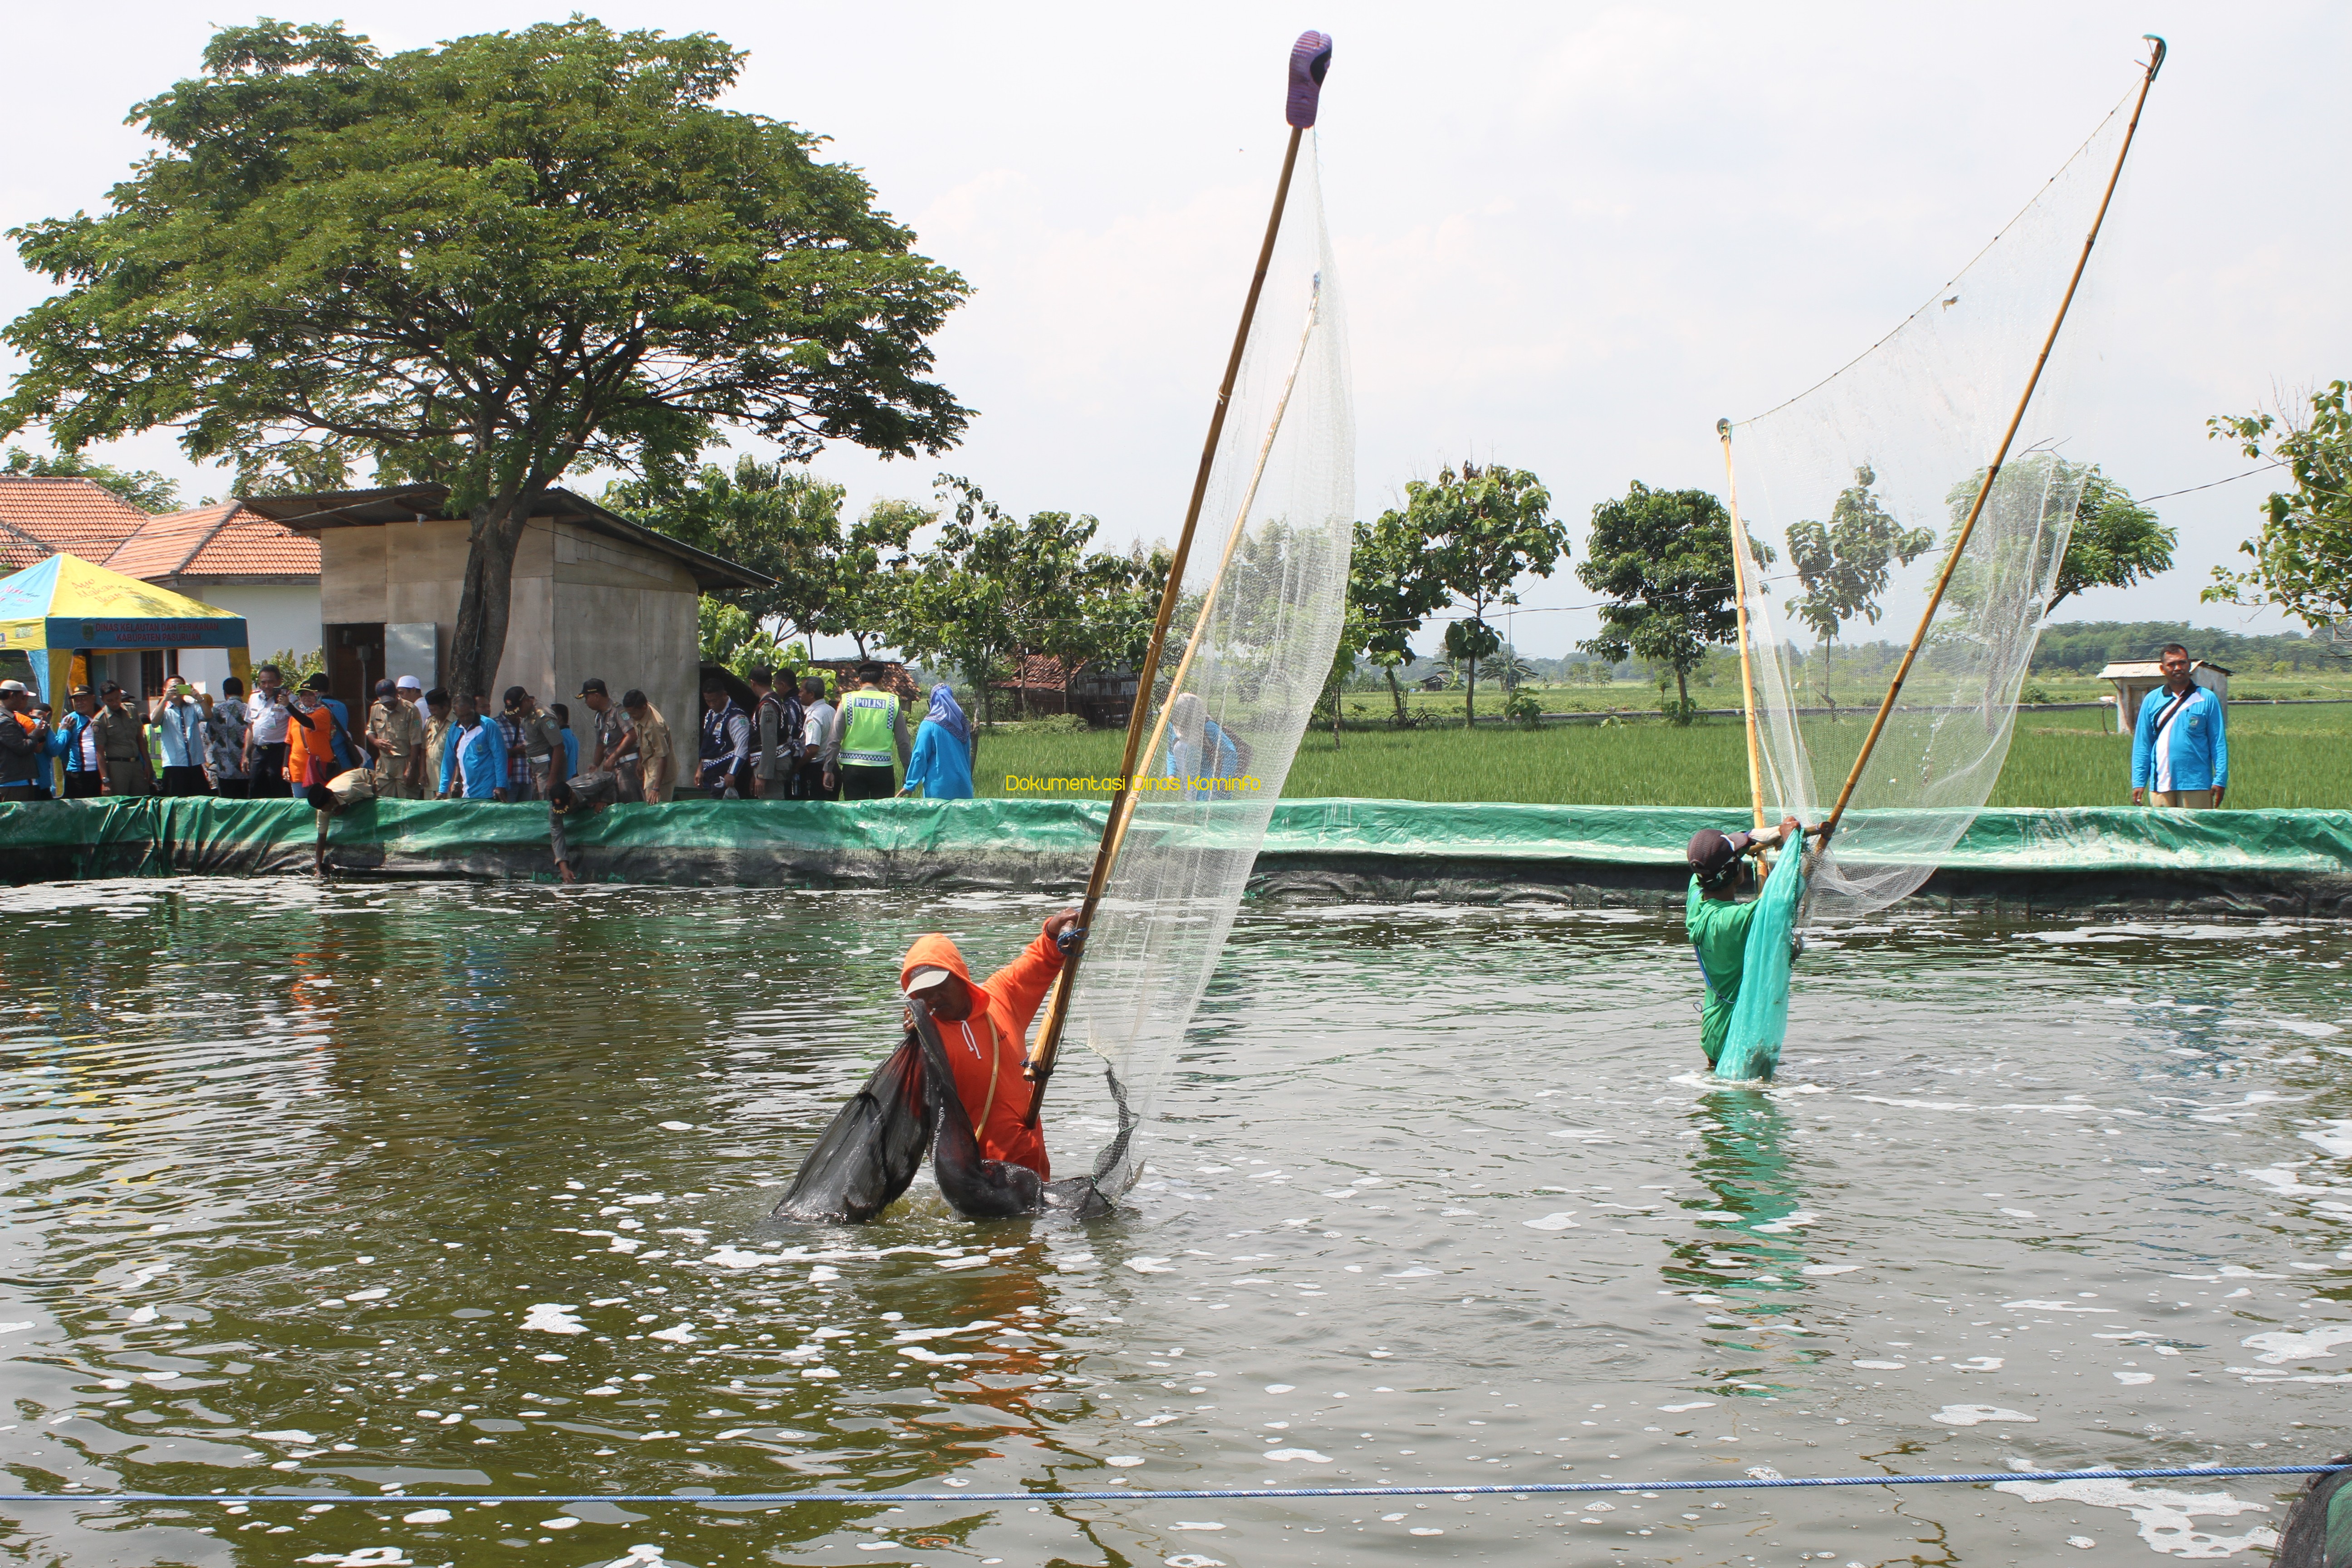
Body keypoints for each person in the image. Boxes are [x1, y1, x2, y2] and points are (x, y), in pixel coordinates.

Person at [895, 907, 1084, 1180]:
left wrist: (1053, 930)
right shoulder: (925, 1041)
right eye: (921, 995)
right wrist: (917, 1039)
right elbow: (915, 1120)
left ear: (960, 977)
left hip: (1033, 1169)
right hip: (979, 1181)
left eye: (938, 987)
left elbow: (1041, 959)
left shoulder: (1001, 997)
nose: (932, 999)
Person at [1684, 816, 1803, 1070]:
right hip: (1739, 1040)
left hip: (1715, 1035)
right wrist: (1791, 845)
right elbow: (1781, 900)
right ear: (1735, 872)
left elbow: (1710, 863)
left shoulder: (1697, 900)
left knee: (1719, 1103)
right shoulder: (1734, 920)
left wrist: (1758, 836)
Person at [2131, 643, 2228, 809]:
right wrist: (2139, 782)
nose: (2178, 668)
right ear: (2163, 669)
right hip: (2161, 784)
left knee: (2196, 834)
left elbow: (2218, 742)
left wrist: (2220, 779)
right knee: (2164, 834)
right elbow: (2143, 744)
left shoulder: (2206, 698)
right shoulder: (2152, 700)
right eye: (2171, 664)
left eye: (2182, 663)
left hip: (2197, 784)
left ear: (2190, 665)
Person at [824, 662, 911, 801]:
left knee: (856, 815)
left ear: (860, 680)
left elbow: (835, 738)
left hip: (853, 769)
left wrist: (828, 768)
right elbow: (903, 742)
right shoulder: (891, 702)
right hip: (882, 769)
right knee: (882, 815)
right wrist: (908, 770)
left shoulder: (847, 700)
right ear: (881, 680)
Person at [902, 682, 976, 799]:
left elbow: (920, 756)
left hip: (939, 789)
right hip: (964, 787)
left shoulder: (929, 725)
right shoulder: (964, 725)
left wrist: (910, 784)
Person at [547, 769, 622, 883]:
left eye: (566, 808)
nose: (563, 813)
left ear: (572, 797)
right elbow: (557, 836)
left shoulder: (592, 784)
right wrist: (564, 869)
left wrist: (604, 800)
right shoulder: (553, 810)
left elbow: (611, 777)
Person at [1166, 692, 1242, 798]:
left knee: (1205, 810)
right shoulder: (1173, 726)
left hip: (1211, 786)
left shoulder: (1208, 727)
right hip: (1190, 785)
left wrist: (1225, 780)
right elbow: (1171, 751)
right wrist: (1171, 774)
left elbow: (1230, 751)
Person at [439, 692, 510, 801]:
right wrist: (443, 790)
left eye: (469, 714)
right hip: (467, 793)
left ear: (474, 708)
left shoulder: (488, 725)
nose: (466, 719)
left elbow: (500, 756)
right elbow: (448, 760)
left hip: (490, 792)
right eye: (462, 716)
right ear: (455, 714)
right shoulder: (454, 729)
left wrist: (501, 785)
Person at [365, 677, 428, 798]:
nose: (388, 705)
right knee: (385, 801)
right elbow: (369, 731)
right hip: (385, 764)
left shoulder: (410, 710)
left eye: (390, 701)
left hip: (405, 762)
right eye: (384, 702)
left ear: (396, 694)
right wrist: (376, 741)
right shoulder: (376, 708)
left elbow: (416, 741)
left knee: (407, 803)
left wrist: (411, 768)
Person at [578, 678, 639, 801]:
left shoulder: (618, 711)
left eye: (586, 698)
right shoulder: (599, 717)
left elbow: (632, 735)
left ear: (596, 696)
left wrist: (613, 758)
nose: (586, 702)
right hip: (613, 769)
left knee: (631, 804)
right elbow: (601, 744)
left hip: (627, 767)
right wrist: (596, 764)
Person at [93, 682, 157, 797]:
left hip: (137, 764)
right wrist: (105, 780)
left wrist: (148, 764)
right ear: (102, 700)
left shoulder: (131, 710)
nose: (115, 703)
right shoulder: (100, 720)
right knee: (121, 802)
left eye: (118, 698)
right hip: (117, 767)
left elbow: (140, 739)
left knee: (142, 800)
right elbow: (100, 753)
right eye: (110, 700)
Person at [749, 667, 803, 799]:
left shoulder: (768, 706)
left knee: (770, 810)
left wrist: (762, 775)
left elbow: (769, 742)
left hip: (773, 768)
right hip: (773, 765)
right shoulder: (777, 702)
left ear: (753, 682)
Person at [697, 678, 753, 799]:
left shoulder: (737, 717)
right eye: (708, 701)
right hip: (710, 775)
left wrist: (732, 773)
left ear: (724, 695)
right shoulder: (710, 714)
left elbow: (742, 747)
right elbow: (707, 743)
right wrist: (700, 769)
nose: (712, 705)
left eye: (715, 701)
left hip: (725, 775)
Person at [155, 680, 210, 796]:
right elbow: (154, 722)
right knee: (175, 802)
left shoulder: (193, 707)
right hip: (174, 764)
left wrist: (199, 698)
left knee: (200, 800)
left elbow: (209, 716)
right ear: (165, 690)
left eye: (179, 687)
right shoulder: (164, 710)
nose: (176, 690)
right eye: (172, 688)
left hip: (195, 763)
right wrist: (165, 699)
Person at [244, 666, 292, 798]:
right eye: (263, 682)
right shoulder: (254, 698)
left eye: (270, 682)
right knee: (255, 787)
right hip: (259, 751)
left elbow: (295, 727)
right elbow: (250, 727)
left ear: (279, 681)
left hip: (279, 751)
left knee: (278, 788)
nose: (267, 686)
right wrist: (246, 754)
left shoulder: (288, 699)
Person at [624, 688, 675, 803]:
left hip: (660, 775)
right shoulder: (642, 713)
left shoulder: (656, 727)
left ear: (644, 708)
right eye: (629, 714)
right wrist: (640, 762)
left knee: (657, 811)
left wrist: (656, 788)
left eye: (633, 713)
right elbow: (643, 739)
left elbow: (663, 757)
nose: (632, 717)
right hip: (650, 766)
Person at [203, 677, 250, 799]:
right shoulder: (248, 709)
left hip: (224, 767)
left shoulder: (216, 710)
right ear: (243, 692)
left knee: (226, 802)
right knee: (246, 802)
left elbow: (211, 735)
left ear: (225, 693)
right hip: (245, 766)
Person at [492, 686, 539, 801]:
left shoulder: (527, 723)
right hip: (507, 783)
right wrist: (514, 751)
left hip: (526, 780)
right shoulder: (494, 725)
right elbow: (492, 754)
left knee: (525, 817)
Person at [0, 681, 43, 802]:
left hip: (14, 780)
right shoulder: (4, 721)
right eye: (21, 697)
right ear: (12, 696)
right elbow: (22, 748)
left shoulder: (9, 718)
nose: (22, 701)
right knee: (16, 820)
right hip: (12, 782)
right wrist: (37, 734)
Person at [57, 687, 103, 799]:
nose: (79, 703)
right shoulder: (70, 719)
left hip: (100, 772)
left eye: (83, 699)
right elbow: (61, 748)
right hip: (77, 774)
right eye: (76, 700)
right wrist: (71, 763)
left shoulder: (102, 717)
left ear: (93, 698)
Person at [798, 675, 836, 802]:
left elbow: (813, 749)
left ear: (811, 694)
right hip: (832, 767)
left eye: (802, 691)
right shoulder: (831, 710)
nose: (799, 694)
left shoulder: (814, 716)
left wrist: (796, 768)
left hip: (817, 771)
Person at [421, 688, 453, 795]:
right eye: (430, 710)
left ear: (445, 706)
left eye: (434, 710)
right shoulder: (430, 722)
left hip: (448, 783)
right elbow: (423, 749)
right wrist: (422, 772)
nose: (432, 713)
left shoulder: (455, 723)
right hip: (430, 781)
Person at [549, 703, 582, 778]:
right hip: (573, 777)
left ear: (559, 718)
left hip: (564, 778)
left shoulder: (560, 737)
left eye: (551, 715)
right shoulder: (572, 735)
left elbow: (560, 759)